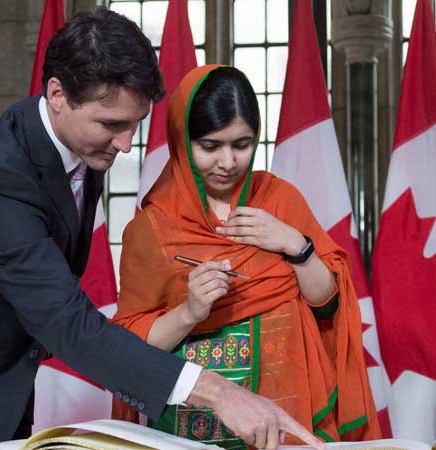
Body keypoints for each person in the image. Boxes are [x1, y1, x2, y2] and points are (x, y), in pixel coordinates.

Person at [0, 10, 323, 450]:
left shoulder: (82, 141)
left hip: (5, 367)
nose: (125, 144)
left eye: (135, 125)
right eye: (112, 125)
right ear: (57, 95)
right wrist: (216, 392)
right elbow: (68, 323)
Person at [112, 65, 381, 449]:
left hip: (291, 410)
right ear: (182, 142)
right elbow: (128, 347)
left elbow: (327, 305)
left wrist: (296, 245)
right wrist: (189, 312)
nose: (228, 162)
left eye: (242, 144)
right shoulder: (150, 230)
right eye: (210, 146)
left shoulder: (279, 199)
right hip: (194, 425)